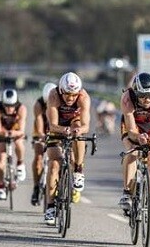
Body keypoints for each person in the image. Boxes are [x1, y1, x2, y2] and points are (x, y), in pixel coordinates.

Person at [118, 72, 150, 225]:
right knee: (132, 152)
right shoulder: (127, 98)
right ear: (135, 92)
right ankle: (127, 193)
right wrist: (137, 137)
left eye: (149, 96)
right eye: (142, 96)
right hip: (132, 126)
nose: (146, 100)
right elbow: (132, 129)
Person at [44, 72, 91, 225]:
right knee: (54, 164)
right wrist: (62, 130)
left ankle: (78, 170)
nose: (70, 99)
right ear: (61, 90)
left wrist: (78, 131)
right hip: (58, 126)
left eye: (73, 95)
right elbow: (52, 125)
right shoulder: (54, 95)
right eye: (67, 95)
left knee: (78, 129)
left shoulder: (83, 97)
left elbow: (86, 125)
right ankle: (50, 206)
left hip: (74, 123)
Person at [0, 89, 27, 200]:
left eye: (12, 106)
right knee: (1, 157)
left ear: (16, 104)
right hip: (2, 132)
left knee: (19, 144)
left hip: (16, 131)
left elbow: (22, 130)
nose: (9, 108)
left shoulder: (21, 108)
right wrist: (5, 133)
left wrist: (13, 133)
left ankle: (20, 164)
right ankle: (1, 186)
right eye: (6, 105)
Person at [30, 82, 57, 206]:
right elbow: (39, 123)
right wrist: (41, 135)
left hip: (57, 130)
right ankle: (36, 187)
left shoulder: (59, 101)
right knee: (38, 156)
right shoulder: (38, 104)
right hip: (42, 130)